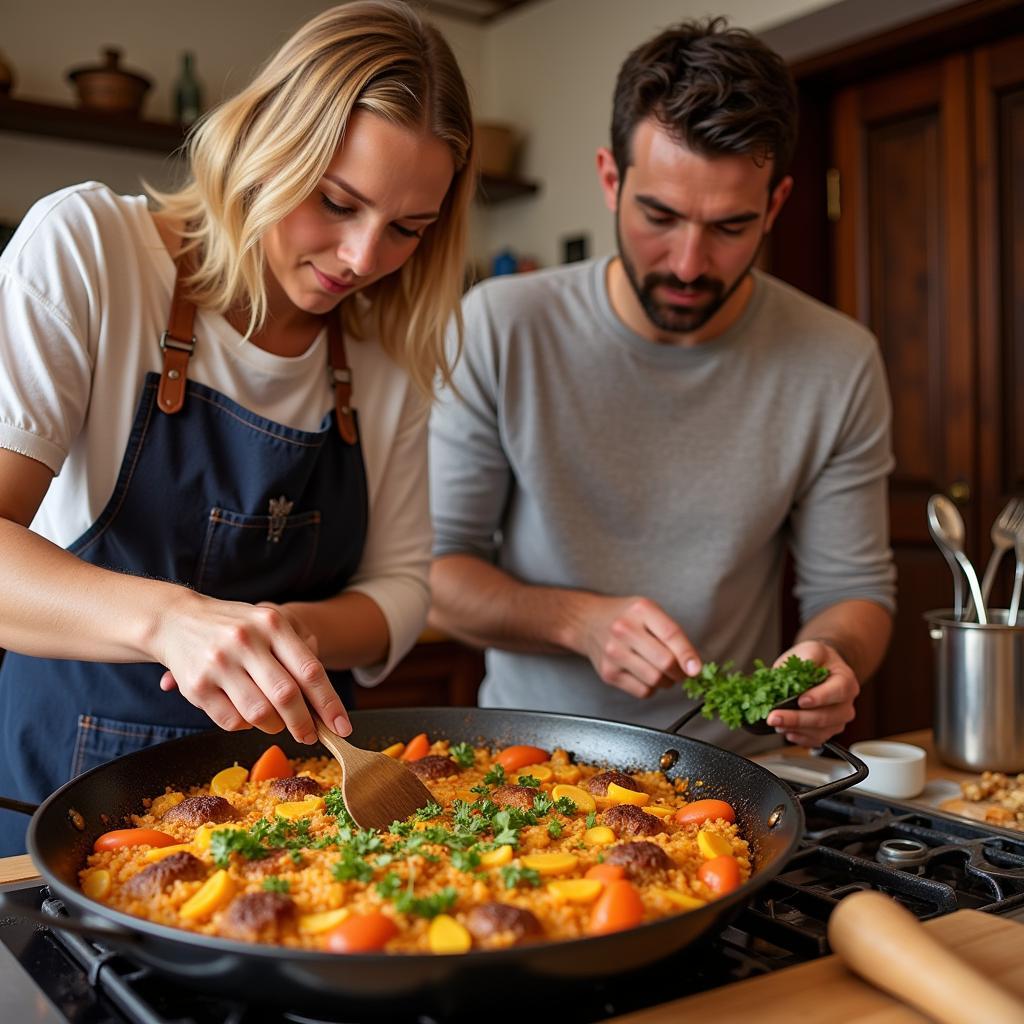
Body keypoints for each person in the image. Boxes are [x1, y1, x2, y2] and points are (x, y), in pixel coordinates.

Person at [0, 0, 474, 854]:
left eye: (408, 228)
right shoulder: (92, 250)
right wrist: (175, 621)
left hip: (304, 811)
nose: (364, 259)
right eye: (336, 202)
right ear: (265, 142)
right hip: (67, 802)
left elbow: (403, 591)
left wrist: (280, 636)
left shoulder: (382, 348)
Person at [428, 18, 895, 754]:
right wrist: (576, 621)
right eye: (659, 216)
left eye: (730, 227)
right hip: (524, 763)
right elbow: (439, 575)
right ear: (612, 180)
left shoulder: (837, 359)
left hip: (734, 775)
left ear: (774, 206)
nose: (687, 262)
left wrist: (834, 654)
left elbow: (854, 593)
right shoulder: (500, 325)